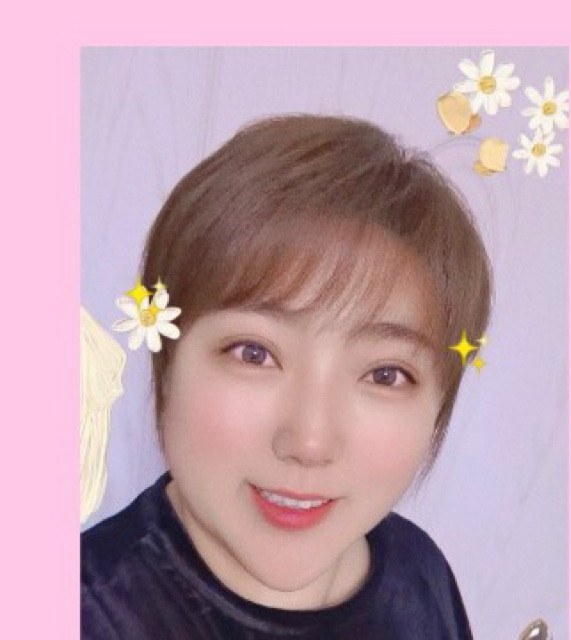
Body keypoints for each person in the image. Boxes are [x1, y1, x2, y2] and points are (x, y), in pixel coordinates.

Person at [81, 114, 491, 639]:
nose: (310, 443)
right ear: (167, 364)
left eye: (385, 374)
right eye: (254, 353)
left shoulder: (419, 571)